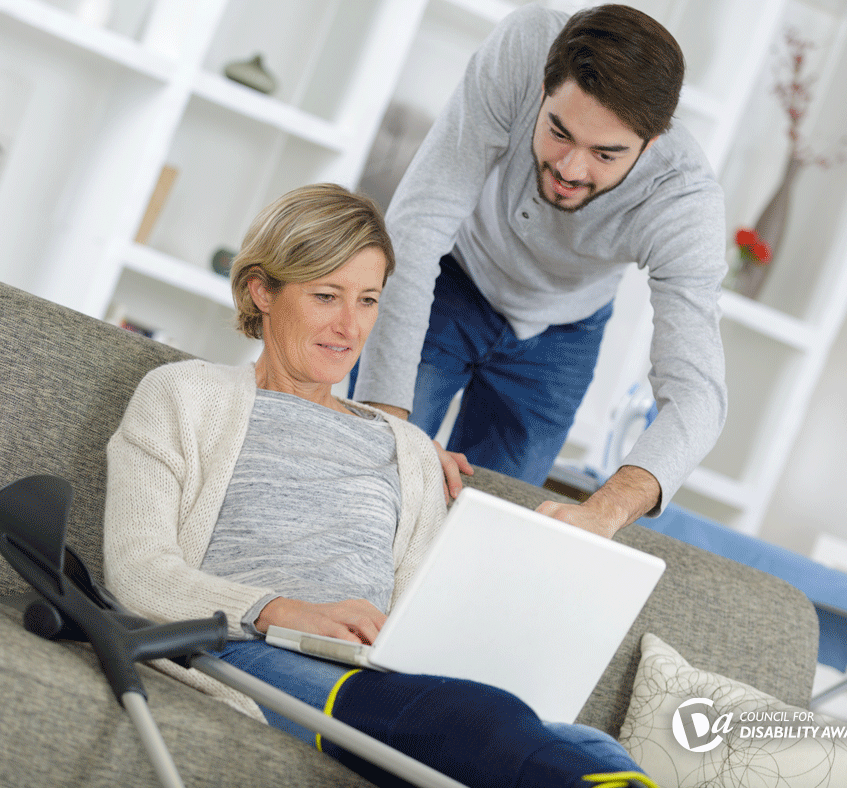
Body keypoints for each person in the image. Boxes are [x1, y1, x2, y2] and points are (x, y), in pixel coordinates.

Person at [102, 184, 657, 788]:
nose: (349, 326)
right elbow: (136, 570)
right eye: (326, 296)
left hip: (377, 671)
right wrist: (280, 611)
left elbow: (422, 611)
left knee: (590, 744)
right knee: (478, 726)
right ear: (262, 289)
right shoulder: (183, 395)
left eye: (367, 300)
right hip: (243, 649)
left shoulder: (410, 450)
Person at [351, 4, 728, 539]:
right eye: (559, 132)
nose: (571, 169)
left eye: (604, 154)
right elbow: (417, 227)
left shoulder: (684, 201)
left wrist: (607, 510)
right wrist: (389, 425)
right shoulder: (523, 47)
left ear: (652, 143)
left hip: (561, 337)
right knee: (368, 472)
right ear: (544, 86)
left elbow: (698, 392)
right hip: (451, 280)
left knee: (484, 535)